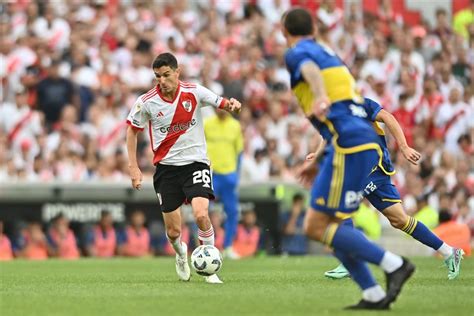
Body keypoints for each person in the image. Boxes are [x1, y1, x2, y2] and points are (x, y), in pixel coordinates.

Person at [282, 8, 414, 310]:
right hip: (354, 142)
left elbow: (311, 73)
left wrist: (318, 96)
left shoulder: (297, 52)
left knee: (316, 226)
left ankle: (394, 264)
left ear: (284, 31)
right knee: (332, 222)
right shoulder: (330, 54)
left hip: (350, 145)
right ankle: (372, 293)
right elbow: (348, 109)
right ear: (314, 28)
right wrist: (321, 157)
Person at [126, 52, 241, 284]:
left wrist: (233, 106)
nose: (162, 80)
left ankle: (210, 270)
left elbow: (223, 103)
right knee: (174, 232)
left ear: (177, 72)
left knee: (201, 214)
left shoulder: (194, 91)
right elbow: (132, 131)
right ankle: (180, 254)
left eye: (166, 75)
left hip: (195, 163)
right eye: (157, 76)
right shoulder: (146, 102)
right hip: (166, 170)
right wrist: (134, 168)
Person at [320, 98, 464, 280]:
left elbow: (388, 117)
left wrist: (403, 147)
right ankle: (449, 252)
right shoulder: (332, 110)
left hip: (373, 164)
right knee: (399, 220)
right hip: (366, 168)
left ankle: (351, 259)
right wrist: (316, 154)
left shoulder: (359, 102)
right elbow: (327, 135)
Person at [204, 109, 243, 259]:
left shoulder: (235, 125)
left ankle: (227, 247)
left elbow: (239, 151)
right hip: (210, 173)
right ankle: (206, 246)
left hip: (229, 174)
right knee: (203, 211)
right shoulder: (207, 124)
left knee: (232, 212)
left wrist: (236, 174)